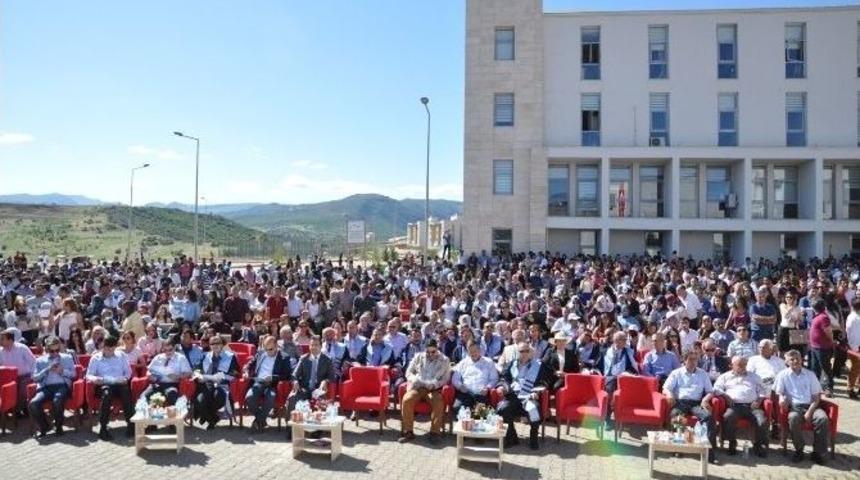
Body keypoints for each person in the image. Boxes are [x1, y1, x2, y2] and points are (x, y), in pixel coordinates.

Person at [774, 349, 831, 465]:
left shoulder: (810, 375)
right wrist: (781, 399)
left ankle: (818, 452)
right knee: (793, 418)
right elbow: (779, 392)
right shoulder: (782, 375)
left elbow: (816, 397)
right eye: (792, 359)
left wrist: (810, 411)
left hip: (812, 406)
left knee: (822, 418)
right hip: (795, 407)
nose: (795, 361)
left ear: (802, 360)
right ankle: (799, 450)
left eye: (797, 359)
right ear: (787, 362)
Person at [662, 350, 718, 464]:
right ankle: (678, 448)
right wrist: (669, 395)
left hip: (696, 403)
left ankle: (709, 452)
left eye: (695, 359)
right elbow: (666, 388)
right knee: (675, 415)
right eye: (690, 359)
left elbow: (710, 391)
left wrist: (705, 399)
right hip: (680, 403)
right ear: (684, 360)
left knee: (708, 417)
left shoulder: (703, 374)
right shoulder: (676, 373)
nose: (693, 362)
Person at [496, 342, 550, 450]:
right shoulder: (511, 364)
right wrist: (503, 387)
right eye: (522, 351)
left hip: (529, 396)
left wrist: (537, 392)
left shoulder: (538, 365)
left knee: (534, 410)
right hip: (513, 396)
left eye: (527, 351)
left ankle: (533, 437)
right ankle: (512, 436)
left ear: (530, 352)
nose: (524, 353)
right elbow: (504, 378)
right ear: (517, 352)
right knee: (502, 409)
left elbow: (545, 381)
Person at [713, 356, 769, 457]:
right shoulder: (725, 376)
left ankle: (758, 445)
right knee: (728, 417)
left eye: (744, 364)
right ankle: (732, 442)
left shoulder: (754, 377)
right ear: (732, 365)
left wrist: (759, 400)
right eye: (740, 365)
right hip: (735, 406)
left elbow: (763, 390)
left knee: (761, 421)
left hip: (752, 406)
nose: (743, 367)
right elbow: (716, 389)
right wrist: (725, 396)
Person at [398, 338, 451, 445]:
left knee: (438, 402)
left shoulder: (445, 360)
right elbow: (408, 372)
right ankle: (408, 432)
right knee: (407, 400)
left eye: (433, 352)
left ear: (437, 349)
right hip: (418, 386)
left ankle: (434, 433)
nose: (430, 354)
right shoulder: (418, 356)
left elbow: (445, 379)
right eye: (428, 352)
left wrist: (435, 384)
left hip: (433, 388)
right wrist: (414, 379)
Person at [85, 336, 134, 440]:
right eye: (107, 349)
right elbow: (89, 375)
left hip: (119, 383)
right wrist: (95, 379)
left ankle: (131, 425)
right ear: (103, 347)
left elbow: (128, 372)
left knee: (126, 392)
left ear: (115, 347)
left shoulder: (121, 355)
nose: (110, 351)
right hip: (104, 384)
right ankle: (103, 428)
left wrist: (126, 378)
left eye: (112, 349)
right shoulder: (96, 358)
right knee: (107, 394)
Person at [286, 336, 333, 439]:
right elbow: (294, 375)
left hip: (318, 389)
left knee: (321, 400)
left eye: (316, 345)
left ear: (321, 346)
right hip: (305, 388)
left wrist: (325, 381)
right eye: (312, 345)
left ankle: (317, 430)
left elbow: (331, 377)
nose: (314, 347)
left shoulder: (327, 360)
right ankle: (291, 429)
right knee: (292, 398)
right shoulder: (303, 359)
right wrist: (295, 381)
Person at [28, 336, 76, 438]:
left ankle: (58, 427)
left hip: (62, 385)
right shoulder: (40, 360)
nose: (55, 353)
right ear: (46, 349)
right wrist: (47, 370)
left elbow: (73, 374)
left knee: (57, 400)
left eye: (57, 350)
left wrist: (62, 371)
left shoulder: (67, 358)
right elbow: (35, 378)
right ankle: (45, 426)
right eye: (52, 351)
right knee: (33, 403)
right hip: (45, 387)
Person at [243, 335, 291, 432]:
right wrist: (246, 371)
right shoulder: (261, 353)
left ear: (276, 346)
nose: (268, 352)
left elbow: (287, 375)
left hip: (272, 384)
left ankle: (258, 422)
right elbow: (249, 364)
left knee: (271, 398)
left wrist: (273, 377)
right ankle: (261, 420)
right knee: (249, 397)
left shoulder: (284, 357)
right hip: (258, 382)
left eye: (271, 349)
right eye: (266, 349)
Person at [193, 334, 239, 430]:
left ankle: (207, 417)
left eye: (218, 343)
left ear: (222, 344)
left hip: (222, 385)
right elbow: (197, 369)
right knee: (199, 401)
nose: (215, 345)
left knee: (218, 397)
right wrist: (198, 376)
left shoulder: (230, 356)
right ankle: (213, 419)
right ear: (210, 345)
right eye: (212, 344)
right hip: (206, 384)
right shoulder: (205, 356)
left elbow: (236, 373)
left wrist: (223, 376)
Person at [596, 331, 638, 427]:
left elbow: (632, 367)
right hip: (608, 378)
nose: (625, 342)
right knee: (609, 390)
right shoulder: (605, 351)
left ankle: (625, 417)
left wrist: (628, 373)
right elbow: (597, 365)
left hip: (623, 378)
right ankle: (607, 418)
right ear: (616, 340)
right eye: (623, 340)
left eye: (625, 340)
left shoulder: (627, 352)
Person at [142, 337, 192, 408]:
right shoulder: (158, 357)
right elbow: (148, 370)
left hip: (172, 384)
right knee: (145, 396)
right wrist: (149, 375)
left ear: (174, 348)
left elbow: (189, 373)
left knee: (172, 394)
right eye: (165, 350)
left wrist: (178, 376)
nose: (167, 352)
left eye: (170, 350)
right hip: (157, 383)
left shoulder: (181, 358)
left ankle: (176, 413)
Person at [451, 340, 498, 415]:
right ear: (468, 352)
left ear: (479, 350)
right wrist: (460, 386)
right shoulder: (463, 363)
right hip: (466, 393)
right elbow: (455, 378)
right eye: (470, 351)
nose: (473, 353)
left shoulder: (489, 362)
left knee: (480, 414)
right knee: (457, 409)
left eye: (475, 351)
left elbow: (494, 379)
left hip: (481, 394)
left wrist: (488, 388)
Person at [0, 328, 36, 416]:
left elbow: (33, 362)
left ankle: (18, 410)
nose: (0, 341)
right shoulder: (0, 351)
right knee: (6, 388)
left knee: (22, 388)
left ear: (10, 340)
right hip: (8, 377)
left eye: (2, 339)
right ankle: (8, 408)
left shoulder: (22, 348)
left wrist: (33, 376)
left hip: (25, 376)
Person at [808, 299, 835, 398]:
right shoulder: (818, 316)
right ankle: (815, 387)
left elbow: (828, 331)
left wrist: (832, 341)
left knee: (826, 368)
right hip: (815, 347)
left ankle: (829, 388)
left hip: (823, 347)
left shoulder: (824, 317)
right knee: (815, 368)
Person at [846, 298, 860, 399]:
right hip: (856, 347)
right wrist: (856, 348)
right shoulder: (855, 318)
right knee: (855, 368)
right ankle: (850, 389)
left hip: (853, 346)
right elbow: (854, 335)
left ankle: (856, 386)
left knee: (856, 368)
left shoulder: (852, 316)